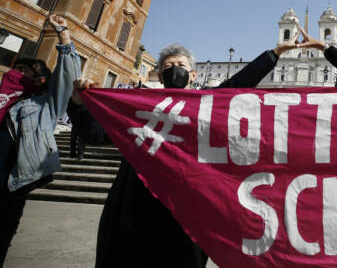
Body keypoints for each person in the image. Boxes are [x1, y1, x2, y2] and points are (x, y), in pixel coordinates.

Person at [70, 40, 301, 268]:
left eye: (180, 65)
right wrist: (80, 103)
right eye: (168, 67)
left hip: (187, 213)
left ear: (193, 75)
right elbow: (95, 135)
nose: (175, 70)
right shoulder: (139, 106)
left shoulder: (205, 104)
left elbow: (239, 82)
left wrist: (274, 53)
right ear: (160, 76)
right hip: (134, 207)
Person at [0, 15, 81, 266]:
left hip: (9, 186)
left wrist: (64, 35)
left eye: (25, 71)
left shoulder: (44, 104)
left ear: (41, 79)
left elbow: (67, 78)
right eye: (16, 68)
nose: (17, 73)